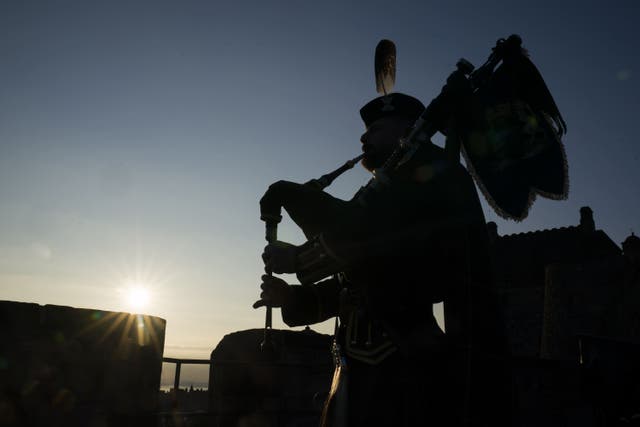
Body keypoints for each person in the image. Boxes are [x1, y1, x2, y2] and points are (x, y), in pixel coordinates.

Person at [254, 92, 505, 426]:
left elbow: (362, 242)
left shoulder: (427, 178)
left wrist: (299, 258)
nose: (363, 137)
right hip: (354, 375)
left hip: (405, 374)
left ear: (406, 130)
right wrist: (292, 297)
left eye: (375, 128)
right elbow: (355, 284)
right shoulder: (380, 194)